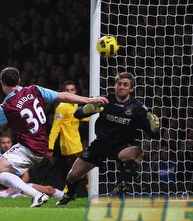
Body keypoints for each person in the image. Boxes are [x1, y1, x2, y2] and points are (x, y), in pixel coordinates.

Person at [0, 67, 108, 207]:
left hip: (29, 147)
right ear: (19, 80)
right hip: (39, 144)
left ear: (2, 83)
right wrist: (89, 99)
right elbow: (63, 96)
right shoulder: (34, 90)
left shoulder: (7, 107)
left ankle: (36, 195)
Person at [56, 72, 160, 205]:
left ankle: (121, 186)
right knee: (72, 175)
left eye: (125, 85)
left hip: (122, 146)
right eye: (119, 84)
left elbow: (153, 136)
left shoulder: (138, 108)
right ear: (115, 85)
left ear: (131, 89)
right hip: (101, 144)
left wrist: (155, 129)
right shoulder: (105, 101)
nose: (121, 87)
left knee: (137, 152)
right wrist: (87, 109)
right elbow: (77, 115)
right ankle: (70, 194)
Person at [0, 134, 64, 198]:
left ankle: (66, 196)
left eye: (8, 142)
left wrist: (16, 187)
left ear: (11, 143)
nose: (6, 145)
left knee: (49, 189)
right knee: (22, 196)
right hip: (2, 192)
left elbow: (26, 176)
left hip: (19, 186)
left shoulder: (17, 155)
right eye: (3, 143)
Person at [47, 80, 89, 193]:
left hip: (77, 145)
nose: (70, 92)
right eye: (67, 90)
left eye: (72, 90)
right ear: (63, 92)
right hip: (69, 146)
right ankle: (68, 194)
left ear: (75, 91)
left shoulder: (74, 104)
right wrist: (50, 147)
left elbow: (77, 118)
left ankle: (66, 195)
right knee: (85, 173)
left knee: (78, 173)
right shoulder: (62, 107)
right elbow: (55, 128)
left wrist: (93, 116)